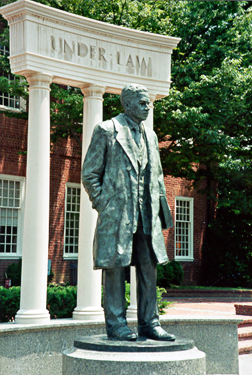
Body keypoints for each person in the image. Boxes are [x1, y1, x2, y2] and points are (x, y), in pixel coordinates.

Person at [82, 83, 175, 341]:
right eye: (143, 103)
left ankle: (150, 323)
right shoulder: (107, 130)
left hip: (147, 215)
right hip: (118, 215)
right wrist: (105, 203)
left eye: (149, 103)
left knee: (148, 267)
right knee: (115, 267)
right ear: (128, 104)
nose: (148, 107)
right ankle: (116, 325)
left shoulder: (152, 136)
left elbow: (156, 175)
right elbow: (90, 174)